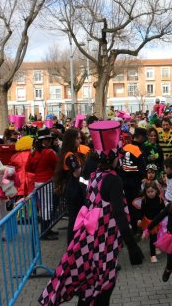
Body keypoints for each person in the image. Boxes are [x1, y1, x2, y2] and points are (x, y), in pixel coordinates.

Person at [39, 120, 144, 306]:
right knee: (104, 285)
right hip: (105, 239)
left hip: (90, 236)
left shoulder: (96, 175)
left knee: (90, 284)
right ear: (112, 158)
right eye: (118, 156)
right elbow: (119, 215)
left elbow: (91, 203)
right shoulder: (113, 180)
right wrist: (133, 246)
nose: (119, 159)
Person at [27, 128, 60, 240]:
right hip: (47, 182)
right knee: (47, 207)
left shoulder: (33, 152)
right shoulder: (49, 152)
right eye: (49, 140)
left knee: (44, 207)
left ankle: (47, 229)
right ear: (45, 140)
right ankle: (45, 232)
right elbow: (57, 165)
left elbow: (28, 168)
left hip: (37, 182)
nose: (50, 142)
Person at [54, 129, 86, 245]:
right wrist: (82, 168)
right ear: (71, 140)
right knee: (74, 218)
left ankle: (75, 244)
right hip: (73, 189)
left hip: (75, 188)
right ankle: (72, 246)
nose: (80, 140)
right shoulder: (70, 156)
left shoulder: (72, 154)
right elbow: (77, 172)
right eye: (77, 138)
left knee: (76, 217)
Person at [119, 127, 147, 234]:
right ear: (140, 137)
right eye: (144, 138)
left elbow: (121, 164)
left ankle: (130, 228)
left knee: (128, 206)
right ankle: (136, 229)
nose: (145, 140)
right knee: (136, 206)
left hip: (124, 182)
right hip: (135, 183)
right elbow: (142, 169)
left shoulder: (125, 147)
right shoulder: (138, 150)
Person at [139, 181, 163, 263]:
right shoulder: (144, 200)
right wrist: (139, 219)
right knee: (152, 238)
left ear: (156, 190)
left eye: (152, 191)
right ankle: (152, 255)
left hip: (158, 222)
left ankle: (157, 247)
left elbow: (163, 211)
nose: (150, 193)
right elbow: (141, 211)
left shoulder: (160, 200)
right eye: (148, 192)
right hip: (149, 222)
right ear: (145, 192)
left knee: (158, 236)